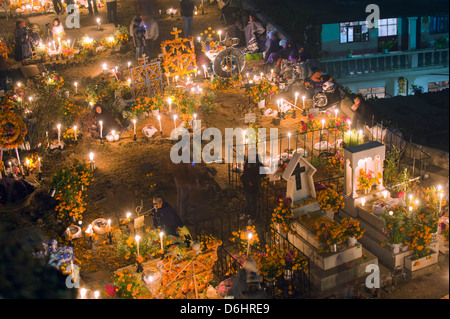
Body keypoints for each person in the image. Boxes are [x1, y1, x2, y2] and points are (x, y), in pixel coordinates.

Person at [240, 155, 265, 224]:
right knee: (248, 200)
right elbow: (245, 172)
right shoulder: (247, 163)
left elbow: (263, 174)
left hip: (253, 186)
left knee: (253, 202)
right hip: (246, 185)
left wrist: (254, 179)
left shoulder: (259, 165)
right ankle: (248, 213)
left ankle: (253, 217)